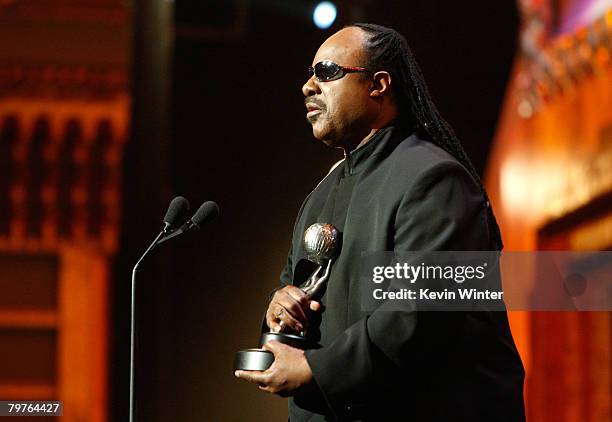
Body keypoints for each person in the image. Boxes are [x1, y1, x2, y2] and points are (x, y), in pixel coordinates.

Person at [235, 23, 525, 421]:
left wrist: (315, 370)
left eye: (327, 72)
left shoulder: (434, 178)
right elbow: (298, 292)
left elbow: (422, 315)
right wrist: (279, 311)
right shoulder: (321, 195)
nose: (308, 87)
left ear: (379, 85)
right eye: (309, 74)